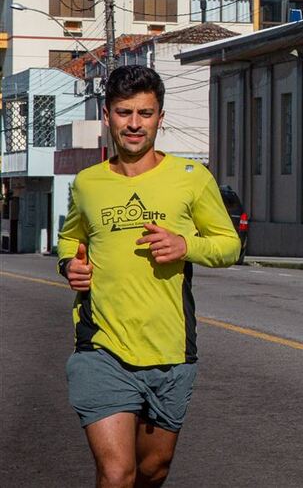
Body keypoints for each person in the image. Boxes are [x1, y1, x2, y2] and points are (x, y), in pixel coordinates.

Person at [56, 65, 241, 488]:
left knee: (153, 469)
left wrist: (185, 245)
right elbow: (70, 240)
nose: (134, 124)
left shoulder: (191, 180)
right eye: (124, 113)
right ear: (107, 116)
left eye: (145, 113)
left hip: (170, 350)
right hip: (100, 347)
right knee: (117, 472)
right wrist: (70, 265)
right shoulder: (87, 184)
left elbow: (229, 245)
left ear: (160, 116)